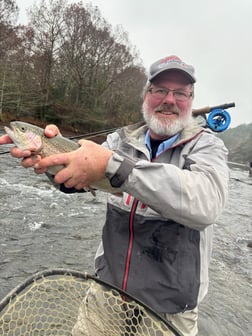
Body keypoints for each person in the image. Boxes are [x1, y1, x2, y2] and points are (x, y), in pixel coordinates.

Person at [0, 55, 229, 336]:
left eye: (180, 92)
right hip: (108, 289)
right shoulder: (120, 141)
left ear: (191, 100)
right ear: (146, 96)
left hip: (170, 306)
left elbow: (208, 205)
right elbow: (83, 178)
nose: (169, 99)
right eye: (160, 90)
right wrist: (51, 163)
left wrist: (113, 165)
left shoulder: (207, 147)